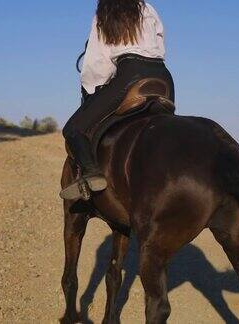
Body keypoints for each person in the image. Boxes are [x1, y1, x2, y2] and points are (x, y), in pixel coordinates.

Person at [60, 0, 175, 201]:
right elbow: (160, 40)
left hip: (130, 74)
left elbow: (98, 61)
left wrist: (92, 91)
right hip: (163, 77)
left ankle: (91, 174)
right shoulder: (147, 8)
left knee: (73, 129)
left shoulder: (105, 12)